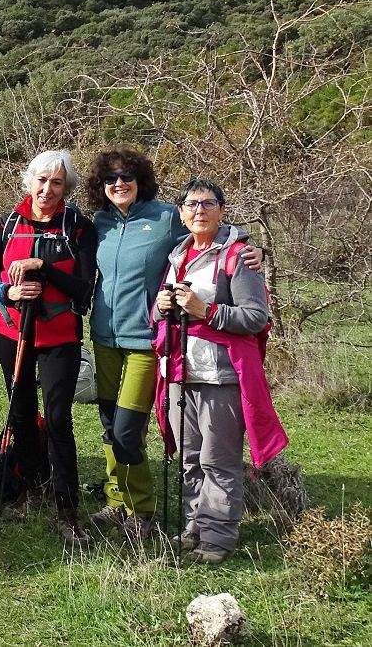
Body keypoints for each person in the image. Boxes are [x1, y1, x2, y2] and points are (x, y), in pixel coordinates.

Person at [86, 148, 261, 543]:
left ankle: (142, 510)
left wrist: (252, 248)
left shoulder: (165, 217)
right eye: (111, 178)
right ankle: (118, 501)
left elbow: (208, 233)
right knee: (110, 426)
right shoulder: (98, 223)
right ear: (101, 185)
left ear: (141, 179)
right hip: (103, 336)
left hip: (148, 341)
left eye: (127, 175)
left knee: (128, 429)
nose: (119, 183)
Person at [154, 180, 286, 565]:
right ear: (181, 213)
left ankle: (218, 538)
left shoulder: (239, 257)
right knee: (189, 458)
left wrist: (205, 311)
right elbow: (162, 319)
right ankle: (195, 526)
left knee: (218, 460)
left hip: (221, 375)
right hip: (180, 373)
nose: (199, 211)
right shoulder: (176, 256)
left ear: (221, 210)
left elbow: (256, 317)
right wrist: (163, 306)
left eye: (208, 203)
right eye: (192, 204)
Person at [0, 149, 98, 546]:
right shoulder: (9, 221)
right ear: (29, 181)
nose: (47, 189)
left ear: (67, 187)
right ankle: (31, 487)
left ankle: (68, 508)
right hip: (11, 331)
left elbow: (84, 289)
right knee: (22, 412)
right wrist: (7, 291)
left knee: (59, 417)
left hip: (59, 334)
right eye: (41, 180)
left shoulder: (77, 226)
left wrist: (41, 267)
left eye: (57, 182)